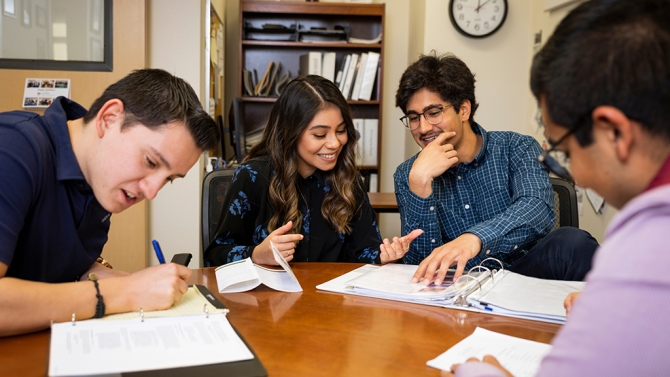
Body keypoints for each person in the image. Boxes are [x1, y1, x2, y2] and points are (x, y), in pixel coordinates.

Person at [446, 0, 670, 375]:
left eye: (564, 151)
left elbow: (537, 206)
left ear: (614, 131)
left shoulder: (648, 245)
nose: (577, 178)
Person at [0, 69, 220, 337]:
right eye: (150, 161)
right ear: (109, 118)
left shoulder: (99, 182)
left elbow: (47, 262)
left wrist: (95, 274)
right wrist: (122, 293)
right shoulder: (12, 148)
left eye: (169, 179)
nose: (151, 192)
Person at [393, 53, 599, 285]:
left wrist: (475, 238)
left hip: (524, 274)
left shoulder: (516, 148)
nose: (423, 128)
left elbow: (536, 210)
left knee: (572, 243)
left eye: (433, 113)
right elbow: (418, 263)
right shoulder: (408, 174)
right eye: (413, 118)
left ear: (463, 110)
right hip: (457, 285)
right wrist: (420, 184)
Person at [204, 75, 422, 267]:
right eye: (319, 135)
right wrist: (255, 254)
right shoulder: (253, 176)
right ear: (290, 133)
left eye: (341, 131)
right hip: (268, 305)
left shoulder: (346, 178)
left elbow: (364, 252)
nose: (335, 143)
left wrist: (385, 255)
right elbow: (214, 256)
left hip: (332, 305)